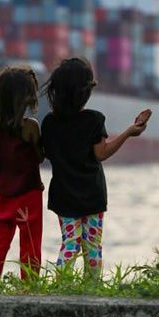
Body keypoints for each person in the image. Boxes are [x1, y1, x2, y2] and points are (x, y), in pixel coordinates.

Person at [40, 58, 151, 279]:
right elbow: (101, 153)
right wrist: (129, 132)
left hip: (63, 197)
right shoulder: (93, 120)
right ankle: (93, 289)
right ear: (86, 92)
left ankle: (57, 287)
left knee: (70, 244)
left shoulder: (49, 123)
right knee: (92, 247)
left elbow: (44, 154)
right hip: (92, 196)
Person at [0, 66, 44, 285]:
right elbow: (40, 157)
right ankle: (29, 285)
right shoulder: (31, 127)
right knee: (30, 243)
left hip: (4, 197)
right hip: (29, 196)